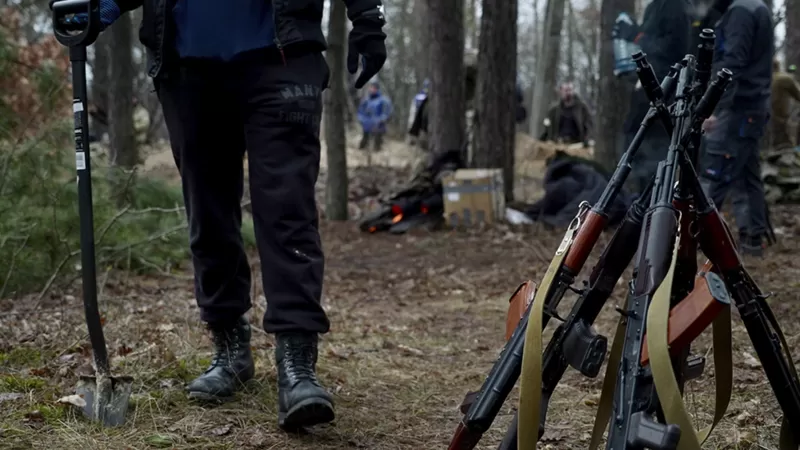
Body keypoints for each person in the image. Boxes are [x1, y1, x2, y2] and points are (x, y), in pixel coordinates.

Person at [60, 0, 387, 430]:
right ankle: (230, 347)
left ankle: (296, 363)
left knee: (287, 211)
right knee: (208, 210)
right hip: (185, 62)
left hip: (282, 52)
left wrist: (365, 15)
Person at [700, 0, 772, 256]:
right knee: (746, 174)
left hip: (739, 107)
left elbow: (732, 64)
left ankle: (697, 235)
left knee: (717, 171)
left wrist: (713, 108)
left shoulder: (741, 11)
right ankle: (753, 239)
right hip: (751, 105)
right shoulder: (753, 7)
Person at [614, 0, 691, 193]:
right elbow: (649, 42)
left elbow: (675, 48)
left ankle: (656, 206)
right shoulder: (654, 7)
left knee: (655, 153)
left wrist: (636, 37)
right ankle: (640, 205)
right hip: (648, 88)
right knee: (633, 144)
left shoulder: (675, 6)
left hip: (666, 90)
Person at [769, 59, 800, 150]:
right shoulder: (784, 78)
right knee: (784, 146)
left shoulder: (759, 79)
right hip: (780, 119)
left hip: (760, 119)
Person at [358, 81, 392, 151]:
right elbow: (360, 111)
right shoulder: (366, 100)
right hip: (367, 124)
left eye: (373, 88)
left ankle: (377, 153)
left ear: (377, 89)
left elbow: (387, 112)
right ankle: (362, 152)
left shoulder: (383, 100)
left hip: (379, 125)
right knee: (364, 141)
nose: (371, 89)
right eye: (371, 88)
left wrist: (381, 120)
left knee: (377, 143)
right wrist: (362, 120)